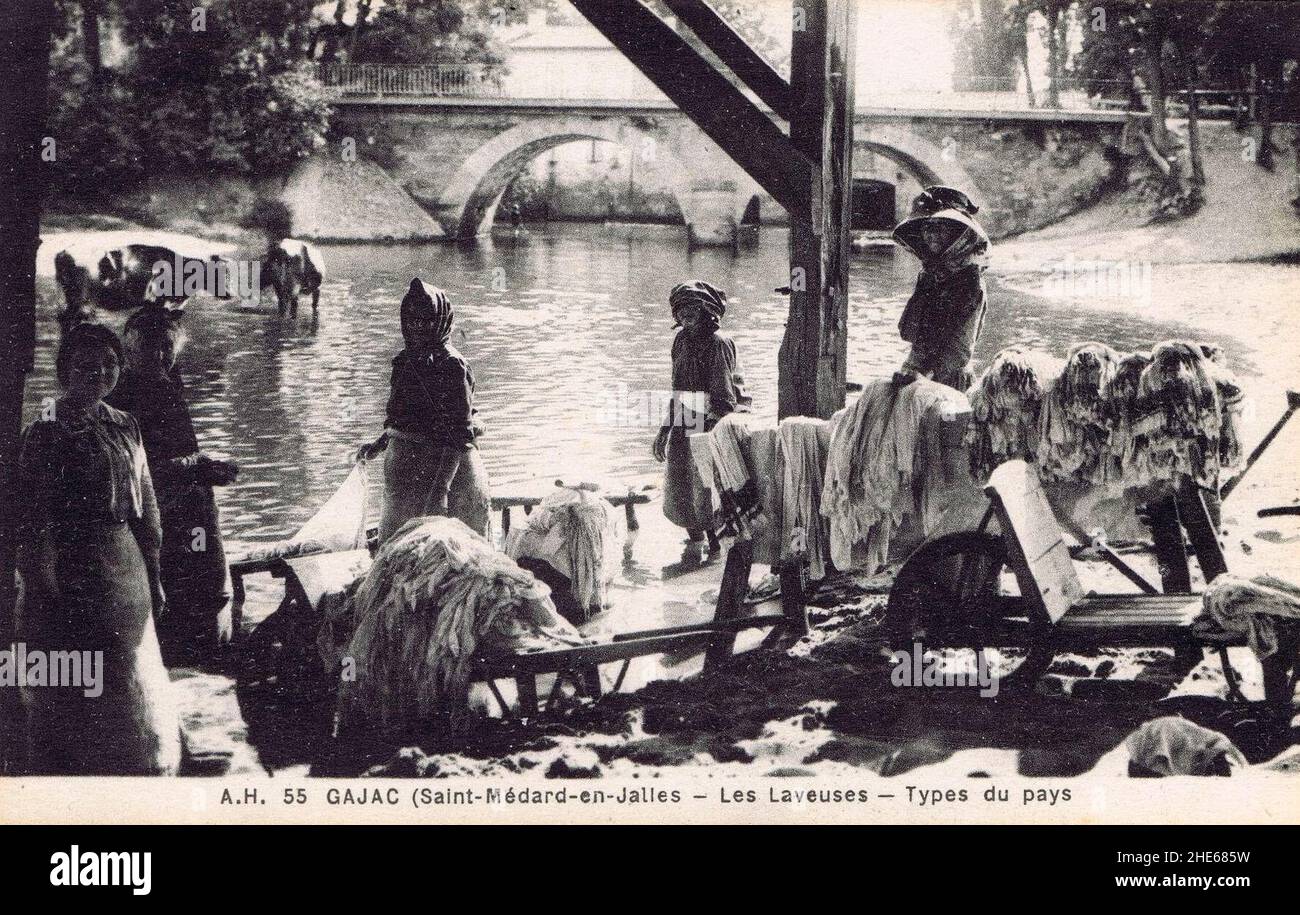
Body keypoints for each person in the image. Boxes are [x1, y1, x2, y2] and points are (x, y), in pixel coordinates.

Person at [16, 322, 181, 774]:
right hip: (73, 560)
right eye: (87, 365)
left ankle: (141, 757)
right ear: (64, 370)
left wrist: (155, 573)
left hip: (124, 560)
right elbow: (32, 516)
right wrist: (41, 580)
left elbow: (145, 504)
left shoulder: (124, 422)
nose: (101, 373)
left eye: (110, 364)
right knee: (81, 667)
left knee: (132, 665)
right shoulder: (46, 427)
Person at [106, 304, 238, 665]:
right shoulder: (122, 397)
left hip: (188, 505)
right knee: (169, 592)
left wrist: (200, 467)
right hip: (156, 513)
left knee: (203, 587)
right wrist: (196, 468)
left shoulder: (166, 381)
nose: (161, 356)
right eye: (151, 348)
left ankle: (200, 656)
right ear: (129, 350)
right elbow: (130, 472)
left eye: (167, 347)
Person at [356, 278, 492, 542]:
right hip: (405, 480)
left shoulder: (453, 367)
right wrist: (380, 443)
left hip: (446, 477)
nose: (417, 327)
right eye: (412, 320)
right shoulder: (405, 362)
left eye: (426, 321)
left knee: (444, 555)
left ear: (440, 321)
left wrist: (439, 493)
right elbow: (402, 419)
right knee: (395, 549)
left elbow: (459, 437)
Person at [653, 280, 751, 571]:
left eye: (692, 314)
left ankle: (715, 545)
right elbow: (678, 390)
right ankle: (694, 544)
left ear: (707, 313)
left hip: (716, 415)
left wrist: (712, 434)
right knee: (680, 482)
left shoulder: (719, 343)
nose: (686, 320)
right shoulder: (681, 341)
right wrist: (664, 430)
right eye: (681, 315)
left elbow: (725, 396)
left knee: (706, 486)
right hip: (688, 411)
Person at [891, 185, 991, 390]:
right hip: (914, 372)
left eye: (940, 227)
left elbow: (959, 349)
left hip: (945, 382)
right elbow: (909, 331)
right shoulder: (930, 275)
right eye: (927, 227)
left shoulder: (970, 281)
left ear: (957, 234)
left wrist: (924, 378)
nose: (931, 234)